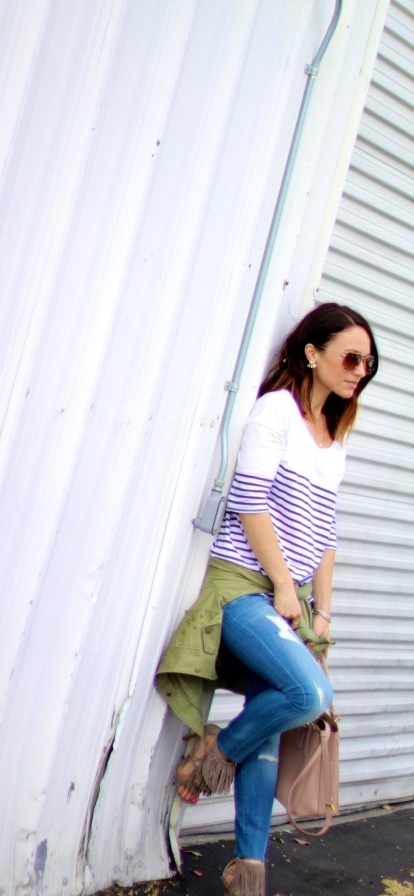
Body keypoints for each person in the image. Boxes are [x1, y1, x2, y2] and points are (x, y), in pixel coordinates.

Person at [155, 302, 379, 896]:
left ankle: (249, 873)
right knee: (309, 694)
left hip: (292, 598)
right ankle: (215, 751)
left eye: (368, 363)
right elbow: (250, 503)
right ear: (312, 353)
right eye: (350, 357)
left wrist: (320, 613)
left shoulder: (334, 439)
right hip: (244, 588)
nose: (360, 370)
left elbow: (325, 537)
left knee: (273, 722)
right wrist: (282, 583)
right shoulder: (275, 412)